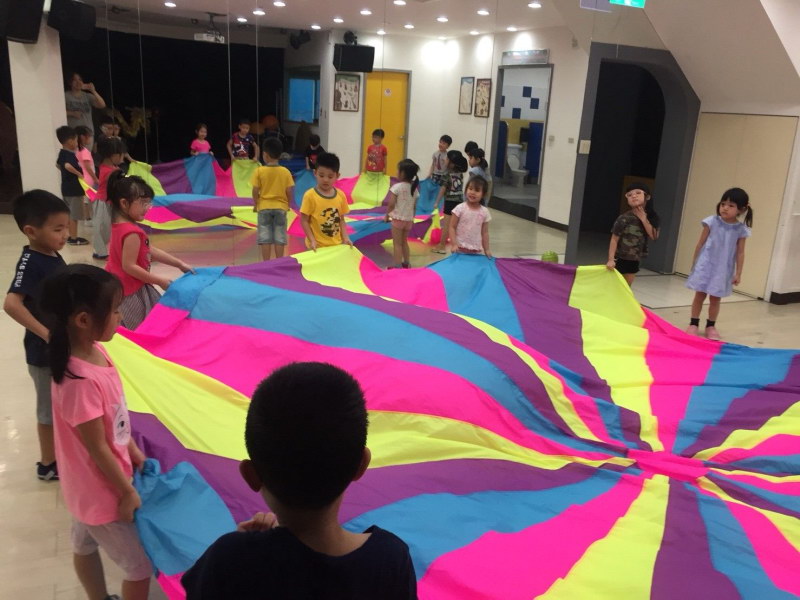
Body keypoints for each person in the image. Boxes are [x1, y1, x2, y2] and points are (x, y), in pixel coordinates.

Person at [181, 362, 417, 599]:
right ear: (361, 465)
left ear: (251, 475)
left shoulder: (228, 560)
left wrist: (243, 550)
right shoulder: (390, 560)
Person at [39, 264, 153, 600]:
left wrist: (130, 448)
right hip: (103, 490)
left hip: (85, 487)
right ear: (84, 320)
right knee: (139, 568)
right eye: (115, 310)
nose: (120, 316)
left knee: (84, 544)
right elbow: (97, 447)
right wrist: (126, 492)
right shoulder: (79, 381)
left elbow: (113, 417)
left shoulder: (96, 352)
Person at [3, 191, 69, 481]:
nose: (65, 235)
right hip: (43, 354)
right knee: (48, 410)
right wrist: (46, 334)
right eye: (58, 229)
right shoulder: (30, 262)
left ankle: (62, 453)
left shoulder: (51, 253)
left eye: (66, 227)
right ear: (31, 231)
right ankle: (47, 464)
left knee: (61, 405)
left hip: (59, 347)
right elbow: (11, 304)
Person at [105, 172, 194, 329]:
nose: (147, 208)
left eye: (148, 203)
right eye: (143, 203)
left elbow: (148, 249)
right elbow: (129, 266)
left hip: (123, 287)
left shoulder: (119, 227)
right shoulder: (131, 232)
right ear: (124, 203)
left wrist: (179, 264)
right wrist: (159, 280)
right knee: (142, 328)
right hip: (130, 292)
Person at [685, 188, 753, 340]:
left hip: (722, 270)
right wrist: (695, 263)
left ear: (741, 209)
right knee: (699, 295)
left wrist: (738, 273)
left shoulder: (741, 230)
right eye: (723, 204)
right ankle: (693, 323)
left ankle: (711, 325)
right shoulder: (711, 222)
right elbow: (700, 244)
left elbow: (740, 253)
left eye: (731, 205)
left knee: (715, 299)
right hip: (705, 266)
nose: (725, 208)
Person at [605, 182, 660, 286]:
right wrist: (611, 259)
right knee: (615, 286)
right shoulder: (624, 218)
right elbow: (614, 239)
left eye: (638, 193)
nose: (634, 196)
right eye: (629, 195)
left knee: (626, 287)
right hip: (620, 258)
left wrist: (644, 219)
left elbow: (654, 236)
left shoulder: (652, 217)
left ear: (647, 197)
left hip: (634, 259)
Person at [251, 138, 295, 261]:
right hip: (281, 208)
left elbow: (255, 190)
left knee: (265, 237)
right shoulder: (285, 172)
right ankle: (278, 261)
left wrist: (256, 203)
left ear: (265, 155)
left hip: (264, 207)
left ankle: (266, 263)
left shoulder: (259, 171)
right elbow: (289, 191)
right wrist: (288, 204)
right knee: (280, 236)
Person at [300, 152, 352, 251]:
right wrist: (312, 240)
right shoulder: (310, 196)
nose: (325, 180)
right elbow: (304, 220)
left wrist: (345, 237)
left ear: (337, 176)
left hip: (336, 246)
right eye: (321, 175)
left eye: (330, 176)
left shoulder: (340, 196)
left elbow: (341, 219)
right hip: (316, 247)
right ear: (315, 173)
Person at [55, 126, 89, 246]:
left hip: (66, 188)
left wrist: (65, 174)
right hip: (74, 189)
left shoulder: (62, 153)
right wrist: (79, 174)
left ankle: (70, 235)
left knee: (70, 213)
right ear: (70, 141)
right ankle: (74, 238)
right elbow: (67, 166)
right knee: (74, 215)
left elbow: (58, 165)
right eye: (75, 140)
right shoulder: (69, 155)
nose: (76, 143)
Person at [92, 136, 125, 260]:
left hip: (112, 203)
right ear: (112, 155)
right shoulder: (106, 169)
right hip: (102, 202)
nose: (122, 157)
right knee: (101, 228)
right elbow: (112, 178)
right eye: (120, 155)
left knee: (110, 229)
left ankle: (103, 251)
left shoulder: (114, 169)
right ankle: (100, 252)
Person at [384, 159, 420, 269]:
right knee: (404, 242)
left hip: (398, 220)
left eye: (398, 170)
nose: (396, 172)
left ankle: (397, 266)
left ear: (403, 173)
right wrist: (412, 218)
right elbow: (414, 207)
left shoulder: (397, 187)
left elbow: (391, 204)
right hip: (408, 221)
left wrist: (387, 215)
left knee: (397, 244)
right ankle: (407, 263)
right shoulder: (414, 189)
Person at [432, 150, 468, 254]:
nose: (445, 160)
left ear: (452, 163)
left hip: (449, 202)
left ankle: (442, 246)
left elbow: (443, 189)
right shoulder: (460, 174)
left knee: (447, 225)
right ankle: (457, 245)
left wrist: (437, 202)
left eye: (447, 158)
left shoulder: (447, 175)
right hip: (459, 202)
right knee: (455, 226)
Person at [448, 175, 492, 258]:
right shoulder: (459, 208)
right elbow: (452, 227)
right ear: (466, 190)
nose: (472, 192)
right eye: (470, 189)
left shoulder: (484, 212)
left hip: (476, 251)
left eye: (477, 190)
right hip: (459, 249)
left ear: (483, 194)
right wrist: (454, 244)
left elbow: (485, 233)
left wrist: (487, 249)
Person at [75, 125, 98, 221]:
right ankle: (88, 217)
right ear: (83, 137)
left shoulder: (76, 150)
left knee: (85, 199)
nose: (90, 139)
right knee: (88, 199)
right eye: (89, 136)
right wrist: (95, 178)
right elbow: (88, 167)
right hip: (88, 178)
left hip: (83, 177)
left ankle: (87, 217)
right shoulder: (84, 151)